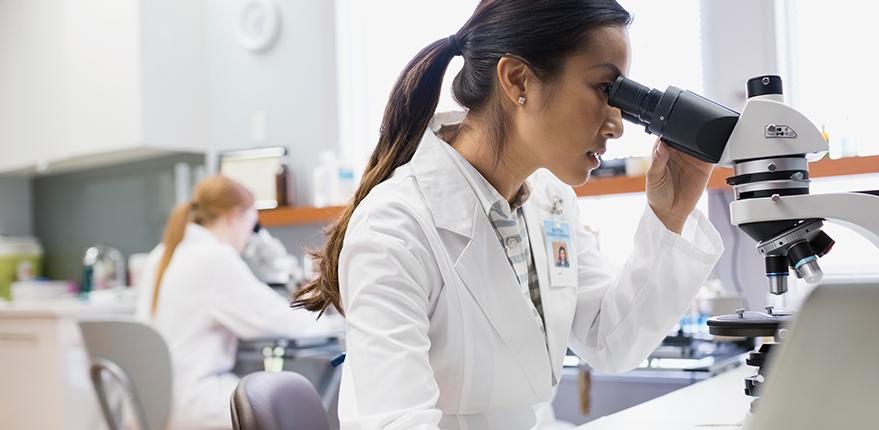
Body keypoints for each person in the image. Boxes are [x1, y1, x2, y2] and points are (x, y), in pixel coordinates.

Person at [293, 1, 723, 428]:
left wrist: (670, 217)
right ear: (519, 80)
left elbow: (610, 339)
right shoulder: (395, 229)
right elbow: (394, 423)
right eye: (604, 90)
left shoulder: (547, 200)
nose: (617, 124)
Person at [136, 175, 341, 430]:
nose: (249, 237)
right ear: (235, 216)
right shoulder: (214, 258)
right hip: (195, 403)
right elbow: (275, 320)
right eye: (251, 225)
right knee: (282, 403)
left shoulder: (162, 254)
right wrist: (337, 324)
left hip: (153, 402)